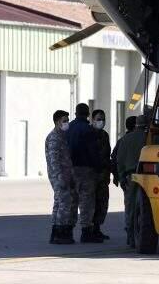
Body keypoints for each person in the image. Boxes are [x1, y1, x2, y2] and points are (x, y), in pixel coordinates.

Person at [67, 103, 102, 243]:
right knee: (86, 201)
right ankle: (86, 231)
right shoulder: (88, 130)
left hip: (70, 169)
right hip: (85, 169)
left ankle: (67, 229)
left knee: (72, 200)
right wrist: (98, 167)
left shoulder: (69, 128)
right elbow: (93, 151)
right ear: (88, 114)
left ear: (75, 113)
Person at [117, 114, 148, 248]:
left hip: (130, 176)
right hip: (147, 177)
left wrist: (120, 176)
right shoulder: (150, 139)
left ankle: (130, 237)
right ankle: (142, 234)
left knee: (130, 206)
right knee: (145, 207)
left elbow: (120, 160)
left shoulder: (126, 138)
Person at [45, 110, 75, 244]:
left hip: (66, 174)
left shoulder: (62, 136)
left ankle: (56, 232)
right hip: (59, 175)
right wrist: (60, 177)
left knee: (59, 203)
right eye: (64, 121)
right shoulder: (54, 137)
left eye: (67, 120)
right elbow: (54, 160)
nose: (67, 123)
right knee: (64, 202)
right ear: (57, 122)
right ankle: (60, 233)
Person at [91, 109, 111, 240]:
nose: (101, 121)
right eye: (98, 119)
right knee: (91, 203)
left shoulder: (104, 135)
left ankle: (97, 228)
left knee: (102, 202)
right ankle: (89, 229)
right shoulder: (88, 134)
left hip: (103, 175)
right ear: (92, 120)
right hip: (92, 175)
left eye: (103, 119)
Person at [111, 115, 137, 188]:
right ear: (135, 126)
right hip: (132, 175)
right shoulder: (143, 139)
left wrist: (116, 176)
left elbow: (114, 158)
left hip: (125, 177)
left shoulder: (122, 140)